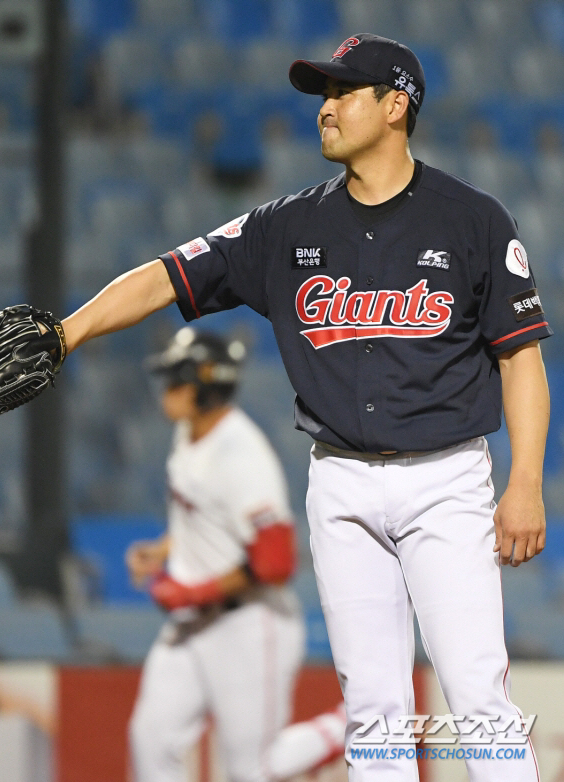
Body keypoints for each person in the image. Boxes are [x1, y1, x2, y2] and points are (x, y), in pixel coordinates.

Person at [58, 33, 550, 780]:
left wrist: (524, 484)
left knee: (478, 700)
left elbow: (521, 357)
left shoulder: (472, 220)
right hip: (341, 482)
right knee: (373, 715)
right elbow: (168, 276)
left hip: (447, 480)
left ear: (395, 106)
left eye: (343, 92)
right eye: (322, 93)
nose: (326, 107)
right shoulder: (286, 227)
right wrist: (66, 332)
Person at [127, 326, 346, 781]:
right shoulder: (189, 431)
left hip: (248, 623)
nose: (166, 390)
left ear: (206, 387)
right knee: (151, 739)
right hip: (195, 621)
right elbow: (203, 513)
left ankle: (358, 724)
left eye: (177, 380)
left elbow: (276, 563)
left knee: (254, 770)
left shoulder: (242, 454)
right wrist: (163, 549)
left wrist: (194, 592)